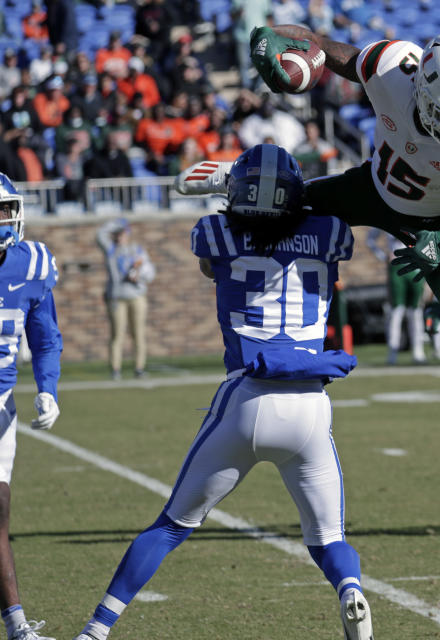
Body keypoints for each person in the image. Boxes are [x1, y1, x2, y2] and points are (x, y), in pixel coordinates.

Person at [180, 24, 440, 515]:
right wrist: (275, 38)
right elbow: (319, 44)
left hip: (438, 220)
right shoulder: (390, 69)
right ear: (422, 88)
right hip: (371, 190)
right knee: (277, 205)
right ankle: (232, 178)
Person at [72, 144, 373, 640]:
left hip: (247, 396)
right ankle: (349, 588)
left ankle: (96, 631)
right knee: (328, 538)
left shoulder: (215, 233)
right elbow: (311, 223)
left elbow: (208, 245)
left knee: (170, 527)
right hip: (310, 404)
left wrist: (230, 187)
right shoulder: (332, 233)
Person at [0, 174, 62, 640]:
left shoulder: (32, 263)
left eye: (7, 208)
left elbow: (45, 338)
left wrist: (48, 387)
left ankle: (18, 626)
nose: (5, 218)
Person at [96, 218, 155, 380]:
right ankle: (115, 369)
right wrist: (112, 223)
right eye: (115, 234)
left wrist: (139, 276)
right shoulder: (111, 249)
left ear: (127, 234)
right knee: (117, 334)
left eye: (121, 233)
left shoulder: (136, 250)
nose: (118, 237)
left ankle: (139, 368)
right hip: (117, 297)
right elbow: (99, 235)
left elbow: (150, 272)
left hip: (136, 295)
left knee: (138, 333)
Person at [366, 228, 428, 365]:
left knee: (416, 311)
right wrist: (383, 256)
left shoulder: (416, 213)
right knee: (396, 311)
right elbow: (370, 239)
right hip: (396, 266)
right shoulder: (388, 212)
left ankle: (418, 351)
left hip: (415, 264)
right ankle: (392, 352)